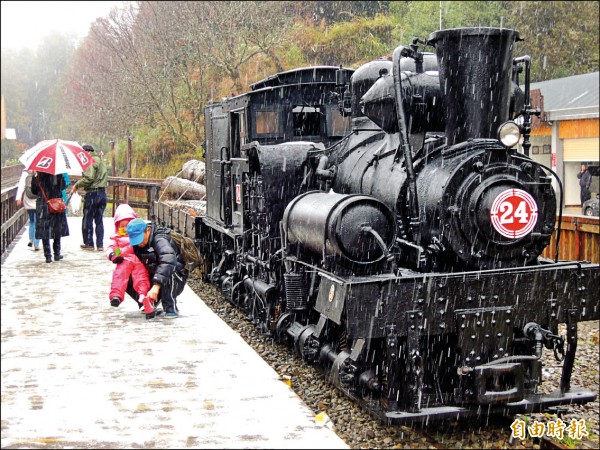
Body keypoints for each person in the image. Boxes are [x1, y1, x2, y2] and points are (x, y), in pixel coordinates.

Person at [126, 218, 190, 319]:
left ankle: (170, 308)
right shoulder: (136, 245)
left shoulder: (160, 239)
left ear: (147, 230)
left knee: (168, 269)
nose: (139, 244)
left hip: (175, 276)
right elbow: (121, 251)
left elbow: (168, 260)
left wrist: (156, 286)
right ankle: (146, 303)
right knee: (126, 275)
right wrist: (115, 255)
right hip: (154, 274)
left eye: (140, 239)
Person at [105, 204, 151, 312]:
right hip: (125, 260)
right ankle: (116, 295)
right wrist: (114, 255)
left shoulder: (136, 236)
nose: (125, 229)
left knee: (141, 276)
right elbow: (112, 248)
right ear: (118, 226)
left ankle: (142, 294)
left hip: (137, 260)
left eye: (127, 225)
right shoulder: (116, 238)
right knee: (119, 275)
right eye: (122, 226)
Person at [71, 144, 108, 251]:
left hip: (92, 193)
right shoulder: (101, 161)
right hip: (102, 193)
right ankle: (100, 245)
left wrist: (77, 185)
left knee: (88, 219)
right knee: (99, 220)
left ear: (87, 152)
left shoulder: (90, 161)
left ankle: (89, 243)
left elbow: (89, 177)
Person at [30, 171, 69, 263]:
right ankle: (57, 254)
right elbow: (62, 186)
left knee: (45, 229)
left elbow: (34, 191)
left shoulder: (37, 174)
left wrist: (36, 179)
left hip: (43, 204)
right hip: (55, 203)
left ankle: (48, 256)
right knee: (57, 228)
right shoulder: (57, 173)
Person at [15, 169, 40, 251]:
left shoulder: (25, 172)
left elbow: (21, 185)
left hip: (28, 199)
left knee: (32, 220)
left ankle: (31, 239)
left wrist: (18, 198)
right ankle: (36, 243)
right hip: (38, 199)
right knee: (38, 222)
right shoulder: (41, 171)